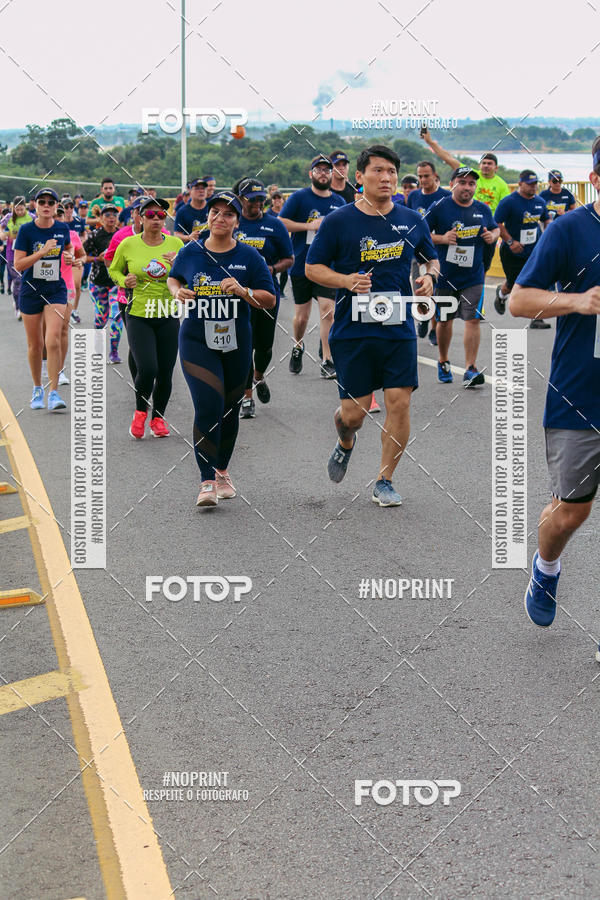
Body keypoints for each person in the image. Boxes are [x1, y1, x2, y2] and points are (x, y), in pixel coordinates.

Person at [305, 144, 439, 507]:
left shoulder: (412, 219)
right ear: (359, 177)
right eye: (378, 171)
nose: (387, 177)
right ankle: (345, 438)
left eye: (392, 171)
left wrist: (429, 276)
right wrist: (346, 281)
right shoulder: (339, 221)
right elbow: (312, 268)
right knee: (355, 413)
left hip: (397, 326)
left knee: (399, 402)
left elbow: (432, 259)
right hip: (353, 329)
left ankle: (384, 479)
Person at [509, 137, 600, 654]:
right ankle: (546, 569)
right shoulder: (569, 230)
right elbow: (520, 299)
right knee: (570, 512)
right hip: (580, 395)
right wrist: (577, 301)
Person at [167, 190, 275, 507]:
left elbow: (268, 299)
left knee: (229, 410)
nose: (219, 218)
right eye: (215, 212)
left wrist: (243, 291)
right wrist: (177, 292)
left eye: (227, 214)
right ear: (208, 217)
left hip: (237, 340)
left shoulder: (249, 257)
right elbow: (174, 278)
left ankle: (222, 470)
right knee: (208, 405)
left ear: (237, 222)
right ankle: (206, 481)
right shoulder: (192, 252)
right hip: (197, 339)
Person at [108, 197, 183, 439]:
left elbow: (188, 274)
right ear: (140, 218)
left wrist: (178, 265)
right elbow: (113, 268)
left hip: (168, 313)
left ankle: (158, 418)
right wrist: (123, 280)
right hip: (139, 313)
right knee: (148, 367)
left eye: (161, 215)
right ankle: (140, 413)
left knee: (166, 371)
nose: (156, 219)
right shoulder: (128, 244)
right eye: (150, 215)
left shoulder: (175, 244)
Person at [426, 167, 499, 386]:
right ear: (452, 184)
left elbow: (495, 229)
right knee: (444, 321)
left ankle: (470, 368)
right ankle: (443, 360)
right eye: (462, 182)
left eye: (471, 183)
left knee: (473, 319)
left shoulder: (482, 209)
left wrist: (491, 236)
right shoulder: (439, 207)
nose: (467, 187)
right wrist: (442, 238)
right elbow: (421, 236)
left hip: (473, 276)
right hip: (445, 275)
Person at [280, 156, 346, 377]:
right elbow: (281, 222)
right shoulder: (299, 198)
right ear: (311, 174)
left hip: (328, 266)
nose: (323, 173)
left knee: (329, 312)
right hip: (302, 264)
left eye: (327, 170)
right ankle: (298, 345)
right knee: (302, 317)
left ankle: (327, 360)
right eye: (318, 170)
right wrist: (309, 225)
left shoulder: (339, 202)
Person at [233, 179, 293, 418]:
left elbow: (289, 258)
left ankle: (259, 376)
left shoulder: (274, 225)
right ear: (240, 199)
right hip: (237, 295)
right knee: (244, 345)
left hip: (266, 293)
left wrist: (273, 269)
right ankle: (247, 397)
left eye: (261, 199)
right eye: (252, 199)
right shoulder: (232, 223)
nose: (257, 204)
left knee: (264, 346)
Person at [14, 188, 74, 411]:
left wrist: (70, 256)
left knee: (53, 339)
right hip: (30, 289)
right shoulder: (26, 230)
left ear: (56, 206)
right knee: (35, 344)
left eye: (50, 202)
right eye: (42, 201)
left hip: (55, 290)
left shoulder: (62, 228)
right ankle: (37, 387)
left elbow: (69, 249)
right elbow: (18, 265)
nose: (46, 205)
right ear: (35, 205)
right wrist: (43, 251)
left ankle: (54, 392)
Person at [493, 170, 550, 328]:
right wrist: (511, 241)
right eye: (529, 184)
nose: (533, 187)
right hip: (512, 251)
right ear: (520, 184)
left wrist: (548, 235)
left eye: (535, 184)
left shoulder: (539, 201)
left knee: (537, 281)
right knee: (514, 284)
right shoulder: (509, 202)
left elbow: (546, 219)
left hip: (534, 250)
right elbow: (496, 223)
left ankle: (536, 318)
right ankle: (502, 293)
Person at [83, 204, 123, 363]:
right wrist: (97, 259)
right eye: (107, 215)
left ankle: (114, 352)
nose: (111, 218)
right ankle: (98, 348)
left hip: (116, 283)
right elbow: (81, 257)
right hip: (98, 282)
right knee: (101, 318)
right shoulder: (94, 235)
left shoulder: (122, 235)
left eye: (114, 214)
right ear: (100, 218)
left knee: (116, 316)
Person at [54, 204, 85, 384]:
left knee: (63, 330)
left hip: (66, 287)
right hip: (43, 288)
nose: (58, 218)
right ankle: (45, 366)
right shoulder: (38, 234)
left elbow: (82, 255)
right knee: (47, 333)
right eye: (55, 216)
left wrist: (77, 261)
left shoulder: (72, 236)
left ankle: (59, 370)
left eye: (61, 215)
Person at [0, 196, 32, 318]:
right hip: (12, 254)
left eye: (21, 209)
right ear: (13, 208)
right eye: (17, 209)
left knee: (27, 282)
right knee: (18, 281)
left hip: (28, 254)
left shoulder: (31, 218)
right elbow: (1, 227)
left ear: (25, 207)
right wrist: (2, 234)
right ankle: (19, 309)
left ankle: (24, 303)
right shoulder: (8, 217)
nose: (19, 212)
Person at [61, 197, 86, 323]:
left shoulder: (78, 221)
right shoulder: (58, 223)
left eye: (71, 206)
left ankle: (73, 310)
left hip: (75, 255)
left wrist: (82, 241)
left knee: (76, 285)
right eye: (66, 207)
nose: (69, 209)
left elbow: (83, 234)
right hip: (59, 258)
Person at [174, 178, 209, 242]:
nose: (201, 191)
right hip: (191, 247)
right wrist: (188, 237)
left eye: (203, 188)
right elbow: (177, 234)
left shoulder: (212, 208)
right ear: (190, 191)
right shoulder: (182, 211)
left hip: (211, 247)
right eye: (197, 188)